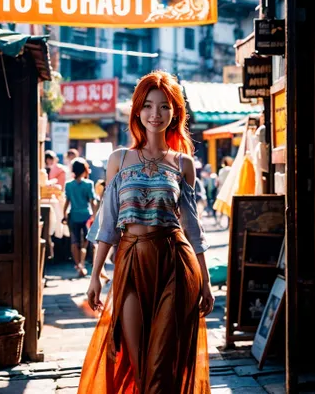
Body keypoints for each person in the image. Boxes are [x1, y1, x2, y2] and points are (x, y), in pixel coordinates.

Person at [79, 70, 213, 394]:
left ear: (174, 113)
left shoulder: (183, 164)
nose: (156, 114)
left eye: (164, 107)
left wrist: (206, 282)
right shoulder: (119, 159)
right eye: (149, 106)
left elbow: (192, 225)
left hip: (175, 263)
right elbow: (107, 224)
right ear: (138, 111)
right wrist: (95, 276)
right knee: (138, 360)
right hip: (130, 262)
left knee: (162, 363)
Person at [63, 158, 98, 278]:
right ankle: (82, 265)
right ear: (84, 170)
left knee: (74, 241)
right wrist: (95, 216)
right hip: (86, 216)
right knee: (84, 242)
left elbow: (67, 201)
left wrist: (64, 215)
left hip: (73, 215)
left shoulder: (68, 185)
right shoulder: (89, 184)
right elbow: (92, 201)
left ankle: (78, 265)